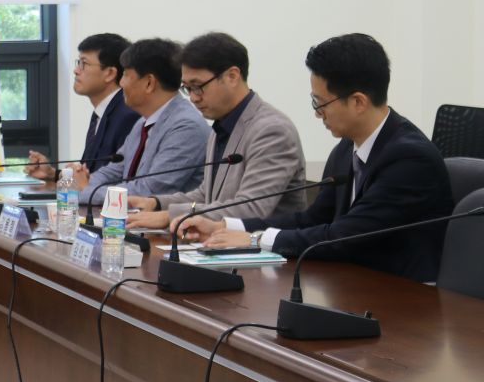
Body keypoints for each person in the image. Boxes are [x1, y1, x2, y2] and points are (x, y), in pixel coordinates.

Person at [179, 34, 452, 282]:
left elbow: (345, 235)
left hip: (405, 296)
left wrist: (254, 239)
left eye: (320, 104)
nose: (317, 114)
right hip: (353, 283)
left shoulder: (409, 159)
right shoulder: (346, 148)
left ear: (358, 102)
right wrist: (224, 226)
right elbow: (313, 219)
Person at [127, 32, 308, 231]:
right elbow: (206, 195)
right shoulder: (222, 124)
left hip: (263, 246)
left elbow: (251, 208)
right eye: (187, 88)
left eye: (198, 86)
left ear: (232, 76)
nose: (193, 98)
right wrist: (156, 203)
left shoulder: (272, 130)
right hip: (221, 243)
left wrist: (169, 216)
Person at [82, 38, 211, 203]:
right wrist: (80, 185)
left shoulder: (186, 128)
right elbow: (114, 171)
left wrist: (84, 192)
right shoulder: (143, 122)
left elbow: (148, 191)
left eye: (126, 75)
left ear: (149, 83)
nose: (121, 83)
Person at [27, 32, 136, 182]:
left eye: (84, 64)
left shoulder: (127, 116)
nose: (76, 70)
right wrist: (54, 174)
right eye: (78, 62)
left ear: (110, 73)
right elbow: (90, 174)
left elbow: (117, 181)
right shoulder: (102, 113)